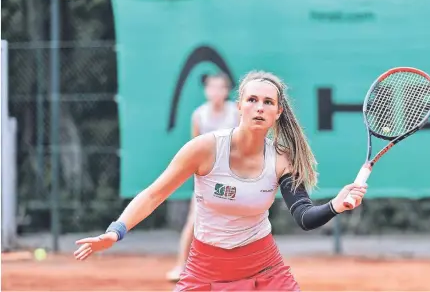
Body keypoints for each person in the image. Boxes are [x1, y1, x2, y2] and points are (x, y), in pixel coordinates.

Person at [73, 70, 367, 291]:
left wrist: (336, 205)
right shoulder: (205, 148)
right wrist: (116, 231)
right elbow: (153, 195)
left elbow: (304, 217)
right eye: (252, 99)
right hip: (205, 268)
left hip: (264, 268)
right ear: (239, 106)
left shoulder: (282, 159)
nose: (259, 107)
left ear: (278, 112)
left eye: (268, 102)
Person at [166, 72, 240, 282]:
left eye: (221, 87)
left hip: (232, 177)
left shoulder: (235, 113)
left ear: (226, 91)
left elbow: (242, 144)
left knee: (236, 223)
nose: (216, 91)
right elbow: (195, 147)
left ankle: (236, 270)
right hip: (207, 176)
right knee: (195, 220)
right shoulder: (199, 115)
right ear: (206, 91)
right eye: (212, 87)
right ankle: (181, 266)